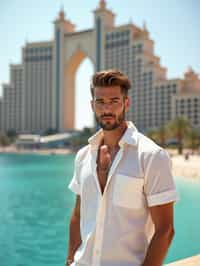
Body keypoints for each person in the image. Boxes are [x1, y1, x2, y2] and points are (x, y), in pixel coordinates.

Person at [66, 69, 179, 266]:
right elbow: (78, 215)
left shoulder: (151, 156)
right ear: (93, 106)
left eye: (114, 101)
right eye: (100, 102)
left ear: (126, 103)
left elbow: (165, 230)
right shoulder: (84, 156)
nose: (106, 109)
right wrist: (69, 261)